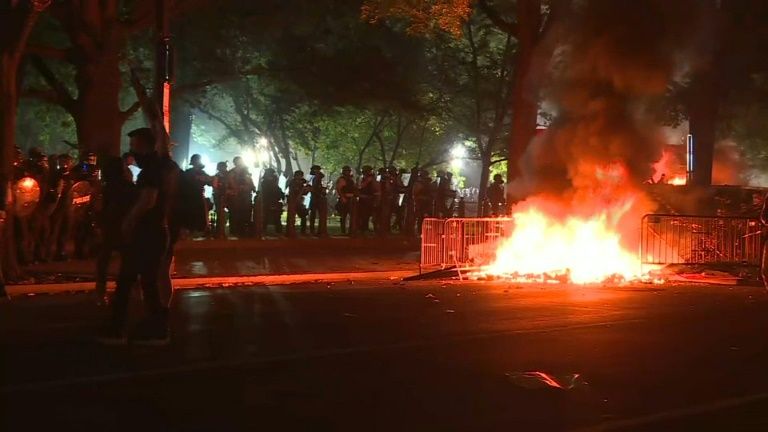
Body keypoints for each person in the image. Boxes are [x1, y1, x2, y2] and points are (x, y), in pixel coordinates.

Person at [98, 127, 180, 345]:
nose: (132, 151)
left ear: (145, 145)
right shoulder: (160, 168)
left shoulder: (151, 171)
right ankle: (150, 328)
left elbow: (148, 199)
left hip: (148, 232)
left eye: (134, 146)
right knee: (142, 280)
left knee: (133, 280)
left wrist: (129, 220)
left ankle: (126, 329)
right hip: (152, 231)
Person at [94, 156, 136, 304]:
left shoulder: (107, 188)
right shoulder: (128, 187)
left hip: (110, 225)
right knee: (126, 259)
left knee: (104, 259)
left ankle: (101, 290)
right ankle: (124, 289)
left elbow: (99, 207)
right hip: (124, 226)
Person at [181, 154, 213, 236]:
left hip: (199, 195)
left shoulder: (202, 172)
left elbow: (210, 181)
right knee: (191, 214)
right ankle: (190, 230)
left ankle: (200, 230)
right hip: (190, 197)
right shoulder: (188, 172)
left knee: (200, 213)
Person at [227, 157, 255, 237]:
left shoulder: (246, 172)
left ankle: (243, 229)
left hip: (245, 196)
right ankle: (234, 230)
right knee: (235, 213)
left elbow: (250, 182)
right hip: (235, 196)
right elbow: (229, 183)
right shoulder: (232, 173)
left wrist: (251, 187)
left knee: (245, 213)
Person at [259, 167, 284, 235]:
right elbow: (265, 192)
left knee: (276, 217)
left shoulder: (274, 182)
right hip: (267, 201)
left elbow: (278, 190)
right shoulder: (264, 182)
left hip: (274, 200)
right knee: (266, 216)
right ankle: (264, 230)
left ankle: (278, 230)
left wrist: (281, 195)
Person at [286, 170, 310, 237]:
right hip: (293, 201)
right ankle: (290, 230)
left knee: (303, 215)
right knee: (291, 217)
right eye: (300, 176)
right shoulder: (293, 182)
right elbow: (295, 192)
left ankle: (303, 231)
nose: (301, 178)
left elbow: (303, 192)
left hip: (299, 201)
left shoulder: (300, 183)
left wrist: (306, 190)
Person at [335, 166, 356, 234]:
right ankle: (343, 231)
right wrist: (342, 197)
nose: (348, 172)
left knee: (352, 215)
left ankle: (351, 230)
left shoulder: (350, 179)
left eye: (349, 171)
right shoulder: (342, 179)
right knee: (343, 215)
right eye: (347, 171)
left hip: (351, 198)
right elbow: (339, 189)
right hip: (345, 198)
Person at [357, 165, 379, 233]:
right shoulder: (362, 178)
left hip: (370, 198)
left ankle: (366, 228)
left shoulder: (371, 178)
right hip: (364, 198)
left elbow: (376, 188)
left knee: (369, 214)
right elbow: (360, 186)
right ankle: (363, 228)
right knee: (363, 214)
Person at [308, 165, 328, 237]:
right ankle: (313, 230)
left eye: (315, 170)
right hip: (315, 197)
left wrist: (319, 192)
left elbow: (323, 188)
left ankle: (319, 230)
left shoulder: (320, 178)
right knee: (313, 214)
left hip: (318, 198)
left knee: (319, 214)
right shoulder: (313, 178)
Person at [212, 161, 229, 238]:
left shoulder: (227, 176)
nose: (225, 169)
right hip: (219, 197)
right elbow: (215, 187)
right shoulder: (217, 176)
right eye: (223, 167)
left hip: (226, 196)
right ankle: (219, 230)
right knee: (220, 213)